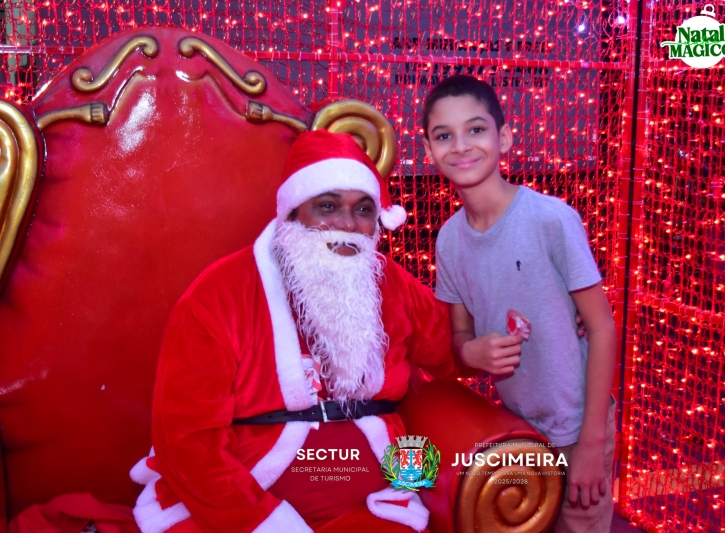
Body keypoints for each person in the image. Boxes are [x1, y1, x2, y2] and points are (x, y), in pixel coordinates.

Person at [129, 129, 456, 533]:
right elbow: (184, 436)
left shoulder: (391, 283)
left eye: (363, 209)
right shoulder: (219, 292)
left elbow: (450, 350)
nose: (347, 224)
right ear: (292, 213)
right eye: (327, 206)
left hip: (373, 505)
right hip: (243, 505)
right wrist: (261, 521)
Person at [423, 75, 617, 533]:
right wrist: (471, 351)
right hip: (515, 428)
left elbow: (602, 328)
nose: (461, 146)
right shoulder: (449, 240)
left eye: (475, 129)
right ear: (428, 150)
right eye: (444, 136)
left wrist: (591, 444)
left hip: (577, 425)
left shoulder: (551, 219)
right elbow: (459, 336)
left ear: (504, 137)